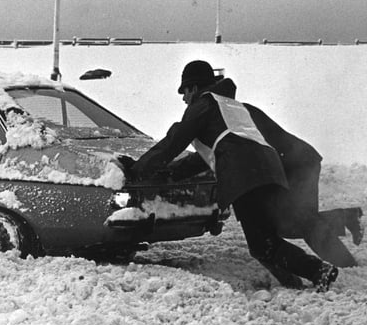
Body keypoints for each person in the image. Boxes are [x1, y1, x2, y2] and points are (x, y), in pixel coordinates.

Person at [124, 60, 342, 292]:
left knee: (261, 244)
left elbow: (173, 143)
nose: (184, 98)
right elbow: (213, 153)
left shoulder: (203, 105)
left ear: (194, 88)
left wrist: (137, 170)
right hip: (269, 170)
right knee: (267, 236)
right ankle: (296, 280)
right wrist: (172, 173)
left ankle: (318, 271)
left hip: (244, 176)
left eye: (184, 91)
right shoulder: (232, 107)